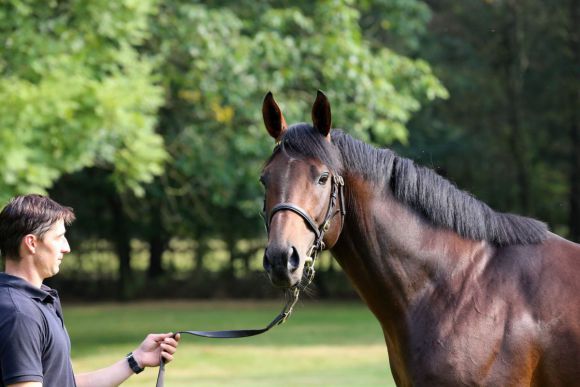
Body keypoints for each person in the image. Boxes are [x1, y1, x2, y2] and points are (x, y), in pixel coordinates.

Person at [0, 194, 180, 387]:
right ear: (32, 243)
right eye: (59, 237)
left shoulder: (37, 301)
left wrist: (136, 359)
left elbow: (63, 383)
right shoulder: (20, 314)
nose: (66, 248)